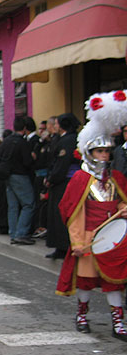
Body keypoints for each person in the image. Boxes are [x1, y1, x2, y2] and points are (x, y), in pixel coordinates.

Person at [56, 91, 127, 341]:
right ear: (90, 153)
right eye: (99, 152)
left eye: (107, 152)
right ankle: (82, 315)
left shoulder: (117, 179)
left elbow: (123, 204)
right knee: (86, 281)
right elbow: (73, 212)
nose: (104, 156)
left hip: (113, 239)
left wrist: (123, 210)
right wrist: (76, 242)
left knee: (114, 282)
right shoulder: (80, 179)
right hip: (88, 237)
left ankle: (118, 322)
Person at [45, 113, 81, 259]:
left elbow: (62, 163)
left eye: (57, 123)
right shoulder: (66, 138)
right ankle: (60, 246)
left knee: (62, 214)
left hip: (65, 182)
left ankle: (64, 246)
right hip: (63, 181)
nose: (55, 126)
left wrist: (52, 179)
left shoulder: (68, 140)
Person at [0, 116, 36, 245]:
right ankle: (21, 233)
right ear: (24, 128)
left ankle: (13, 233)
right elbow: (27, 162)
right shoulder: (22, 142)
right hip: (20, 175)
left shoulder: (7, 141)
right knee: (28, 204)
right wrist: (33, 157)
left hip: (7, 176)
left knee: (12, 206)